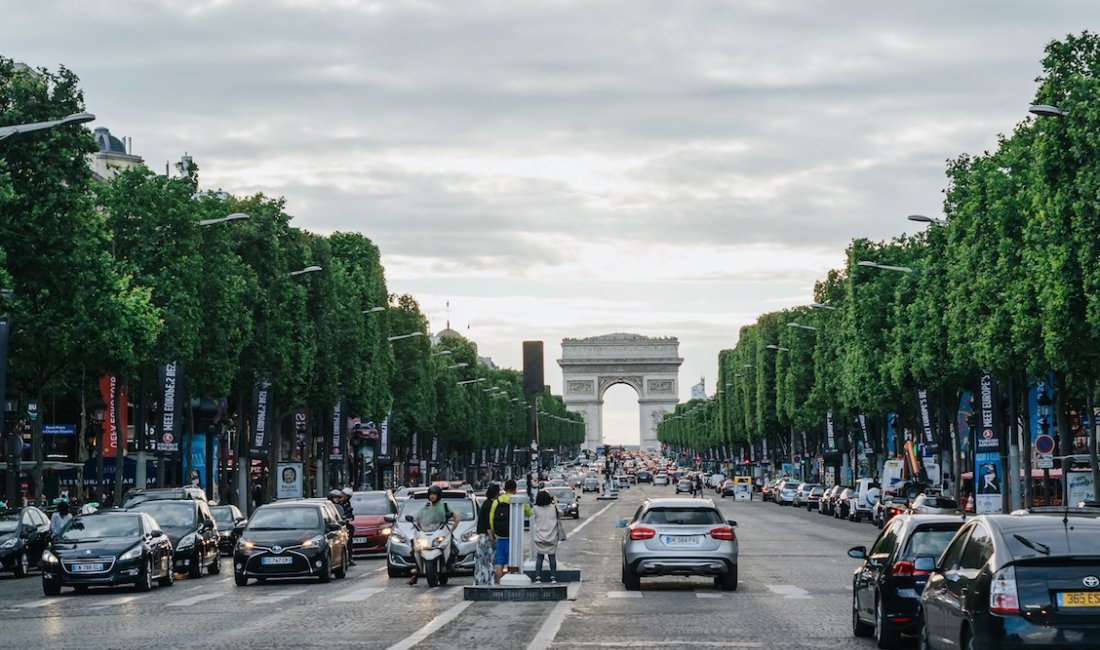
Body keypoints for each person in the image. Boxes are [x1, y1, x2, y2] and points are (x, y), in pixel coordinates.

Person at [408, 485, 460, 585]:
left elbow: (456, 518)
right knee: (414, 547)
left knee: (454, 549)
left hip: (441, 531)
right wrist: (415, 525)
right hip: (427, 533)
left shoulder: (444, 506)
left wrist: (452, 530)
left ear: (439, 495)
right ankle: (416, 572)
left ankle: (451, 565)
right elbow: (417, 518)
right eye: (430, 494)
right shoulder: (425, 507)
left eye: (434, 494)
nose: (432, 496)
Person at [488, 479, 532, 585]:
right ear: (515, 489)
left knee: (499, 562)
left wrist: (495, 533)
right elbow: (528, 513)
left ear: (504, 489)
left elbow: (491, 518)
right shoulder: (517, 500)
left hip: (499, 537)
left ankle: (499, 583)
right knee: (512, 561)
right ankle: (511, 580)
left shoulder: (497, 501)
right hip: (513, 537)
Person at [530, 488, 561, 583]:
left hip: (539, 536)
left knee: (540, 557)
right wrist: (555, 503)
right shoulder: (553, 508)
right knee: (552, 557)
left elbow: (531, 517)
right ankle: (553, 577)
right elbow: (560, 514)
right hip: (552, 536)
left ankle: (538, 577)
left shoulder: (535, 509)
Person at [474, 483, 500, 586]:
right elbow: (488, 524)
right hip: (486, 537)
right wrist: (492, 539)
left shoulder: (485, 503)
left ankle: (479, 582)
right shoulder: (491, 505)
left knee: (481, 562)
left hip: (480, 537)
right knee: (489, 562)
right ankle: (489, 582)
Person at [341, 487, 357, 566]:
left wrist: (349, 517)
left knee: (349, 539)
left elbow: (349, 513)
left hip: (344, 525)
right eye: (344, 495)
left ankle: (350, 557)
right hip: (337, 525)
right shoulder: (333, 503)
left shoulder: (347, 503)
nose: (344, 497)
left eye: (347, 496)